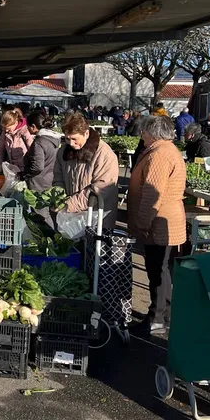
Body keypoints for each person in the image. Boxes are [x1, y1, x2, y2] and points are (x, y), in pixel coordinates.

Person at [126, 115, 187, 335]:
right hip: (165, 220)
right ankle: (163, 314)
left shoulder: (160, 154)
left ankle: (157, 318)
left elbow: (153, 193)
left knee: (158, 270)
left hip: (160, 223)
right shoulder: (166, 150)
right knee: (161, 270)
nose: (141, 135)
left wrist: (141, 223)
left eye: (143, 131)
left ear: (153, 133)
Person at [52, 113, 119, 230]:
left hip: (97, 217)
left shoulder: (104, 154)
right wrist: (58, 198)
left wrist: (70, 204)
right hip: (71, 216)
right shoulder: (63, 151)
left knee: (94, 246)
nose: (71, 143)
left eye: (74, 139)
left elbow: (101, 188)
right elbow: (58, 178)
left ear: (86, 134)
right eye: (67, 139)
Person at [23, 113, 61, 192]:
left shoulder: (39, 142)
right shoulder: (53, 140)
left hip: (37, 184)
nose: (27, 128)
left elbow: (38, 167)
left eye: (27, 126)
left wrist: (25, 174)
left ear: (33, 126)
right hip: (49, 180)